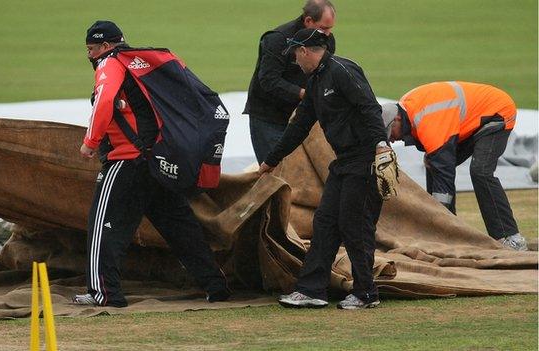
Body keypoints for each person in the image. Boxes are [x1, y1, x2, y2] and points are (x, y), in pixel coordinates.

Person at [73, 20, 230, 307]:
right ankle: (216, 285)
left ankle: (104, 293)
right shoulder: (141, 65)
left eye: (91, 48)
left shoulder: (111, 63)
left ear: (106, 46)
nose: (89, 55)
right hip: (157, 161)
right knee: (181, 228)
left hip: (126, 161)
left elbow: (105, 101)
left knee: (103, 227)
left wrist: (90, 142)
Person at [258, 28, 395, 309]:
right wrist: (271, 159)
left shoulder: (343, 70)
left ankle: (366, 293)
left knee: (354, 225)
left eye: (296, 54)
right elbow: (299, 126)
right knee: (325, 222)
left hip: (365, 158)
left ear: (307, 51)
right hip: (344, 161)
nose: (295, 61)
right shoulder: (317, 81)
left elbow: (369, 107)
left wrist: (381, 145)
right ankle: (311, 290)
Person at [381, 82, 528, 251]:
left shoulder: (429, 124)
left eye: (390, 133)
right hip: (472, 118)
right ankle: (448, 233)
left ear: (398, 120)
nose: (391, 140)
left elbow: (445, 177)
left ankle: (511, 238)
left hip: (497, 112)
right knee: (432, 163)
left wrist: (440, 221)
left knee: (480, 172)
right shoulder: (407, 109)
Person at [244, 0, 336, 164]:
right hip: (268, 118)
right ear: (308, 21)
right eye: (324, 28)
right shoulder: (278, 39)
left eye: (330, 28)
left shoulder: (326, 40)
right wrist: (303, 94)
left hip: (300, 117)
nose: (328, 34)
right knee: (276, 174)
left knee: (303, 176)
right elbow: (268, 80)